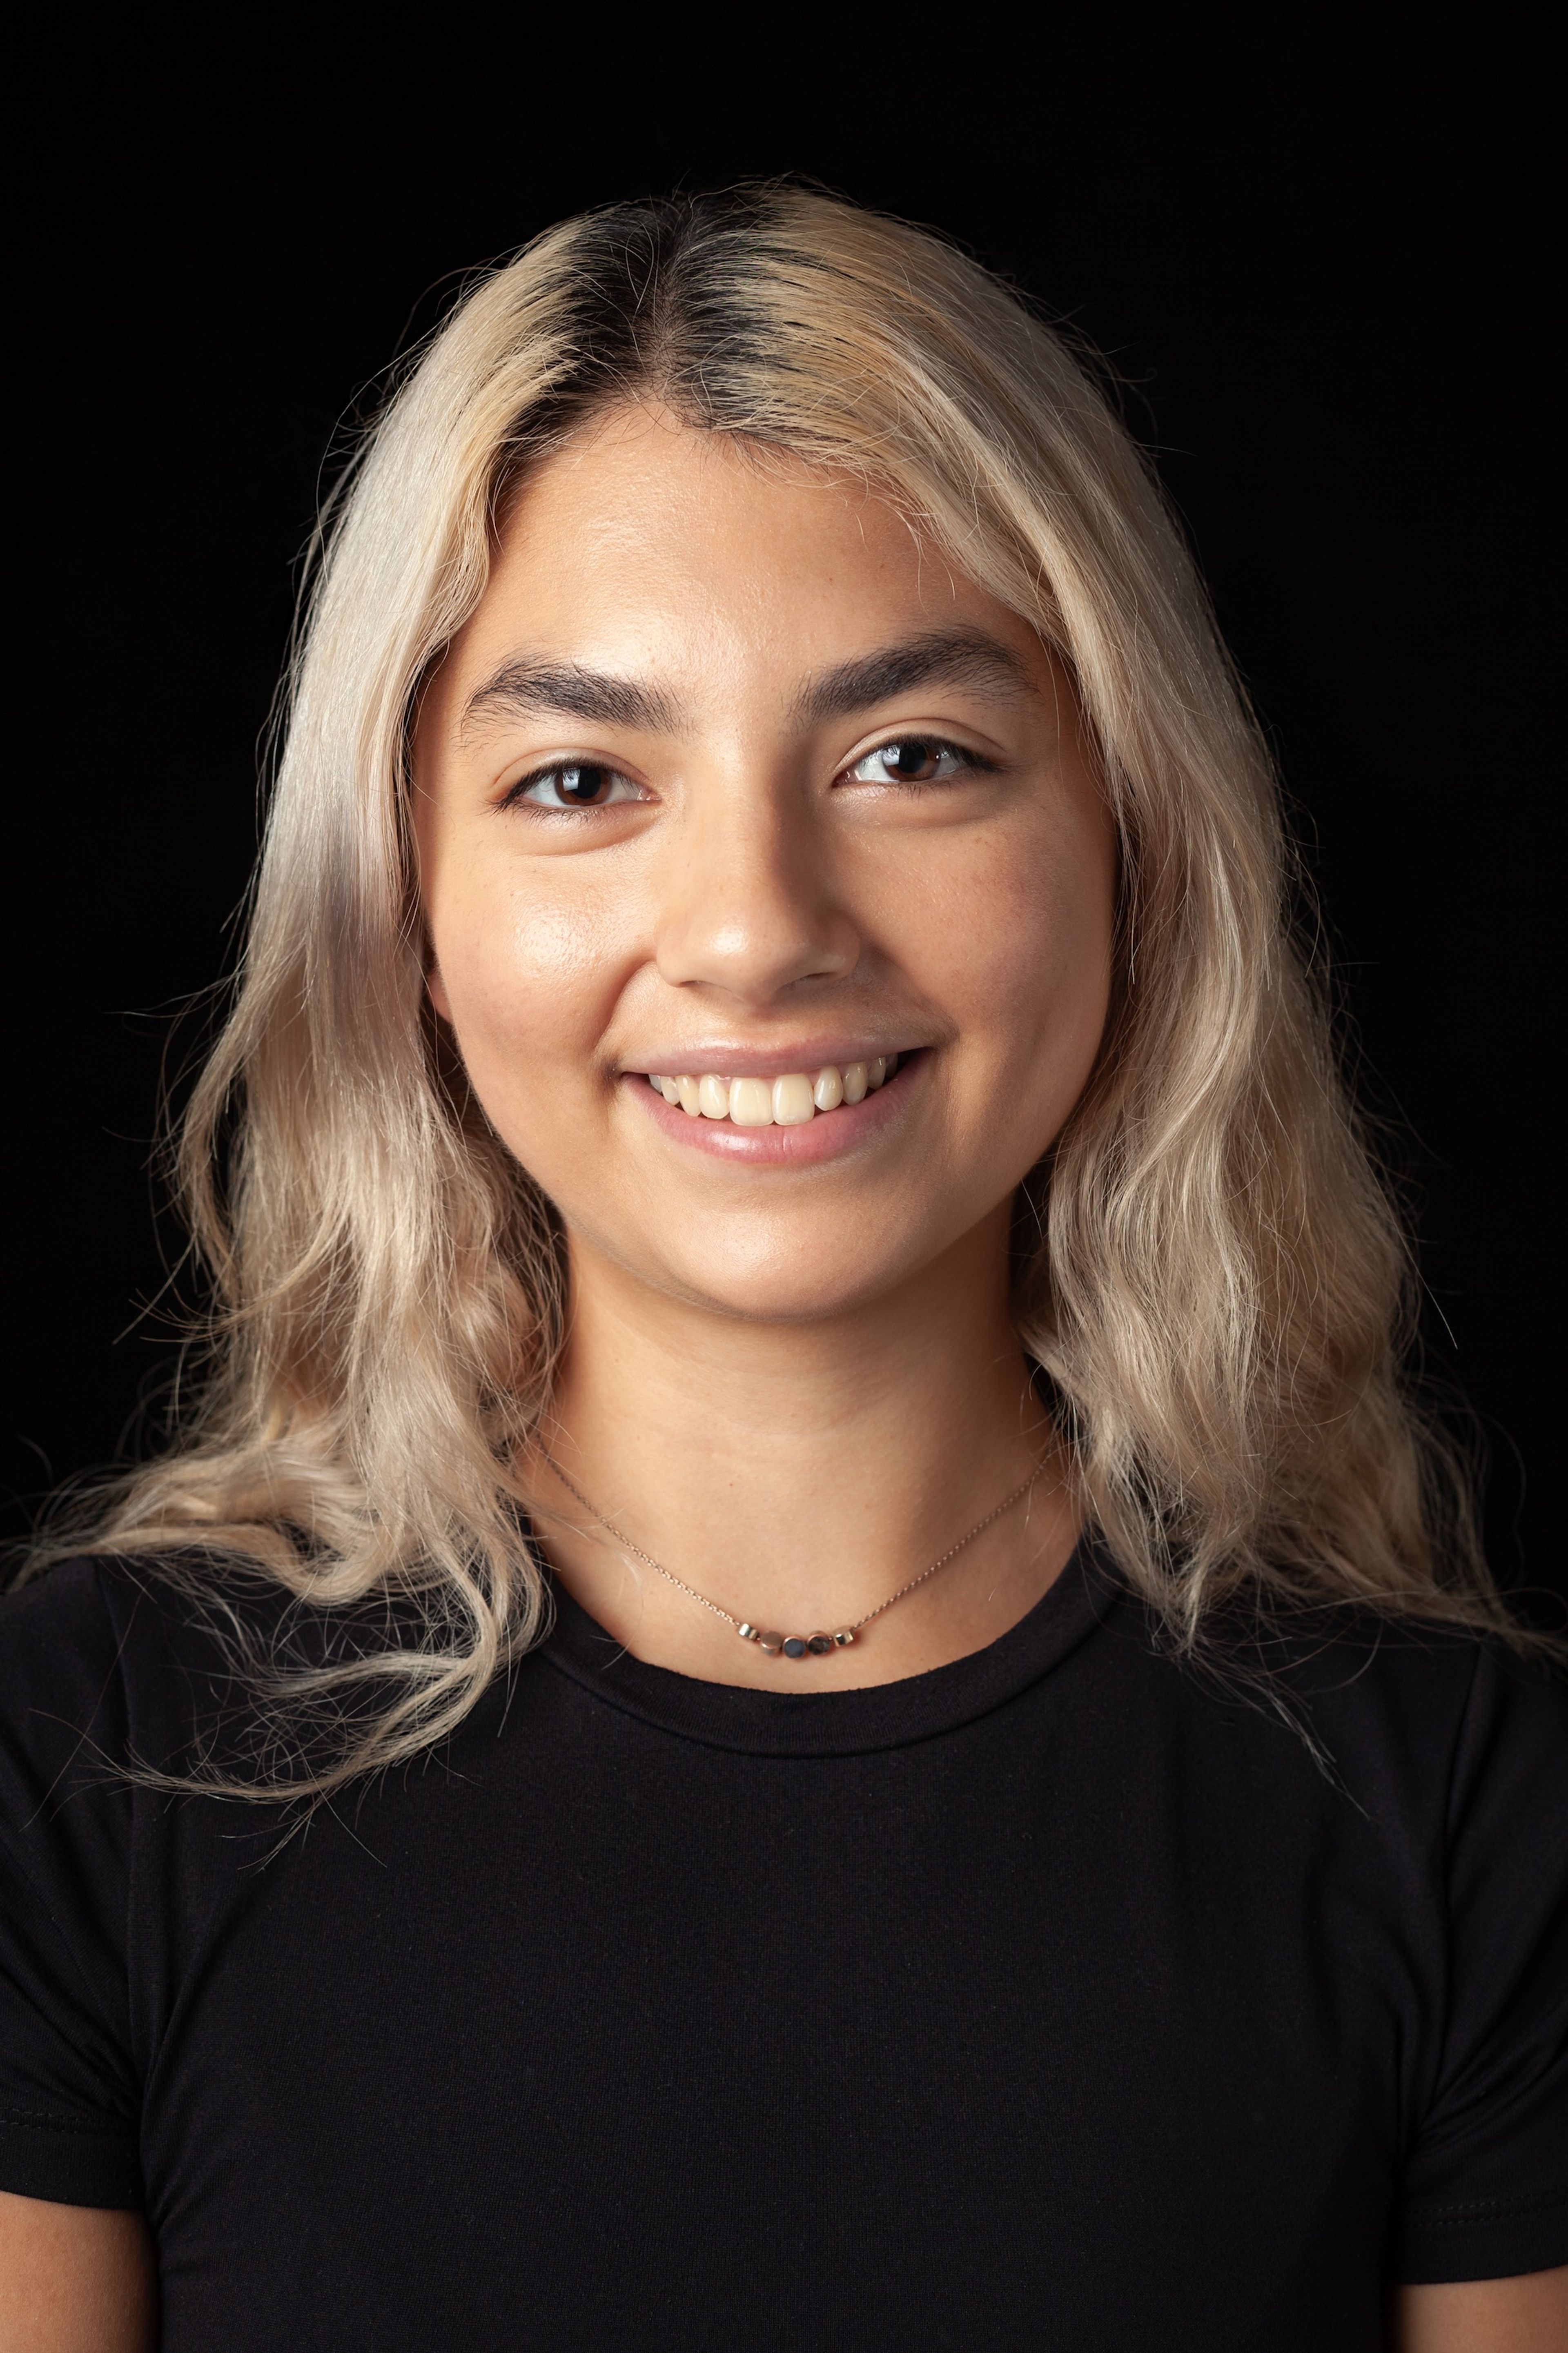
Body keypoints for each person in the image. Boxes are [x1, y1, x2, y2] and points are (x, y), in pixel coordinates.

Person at [1, 185, 1563, 2353]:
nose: (755, 926)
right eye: (580, 777)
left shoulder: (1467, 1803)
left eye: (908, 757)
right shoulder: (89, 1756)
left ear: (1136, 834)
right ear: (409, 911)